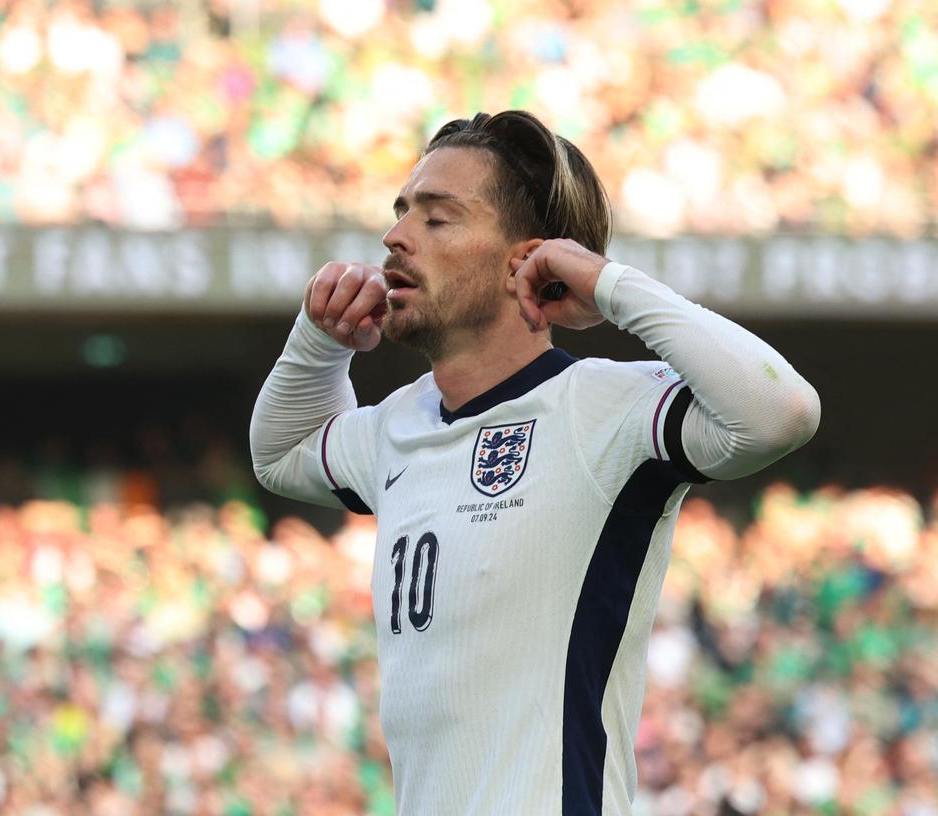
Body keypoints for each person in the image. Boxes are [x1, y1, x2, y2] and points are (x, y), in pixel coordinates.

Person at [248, 110, 820, 815]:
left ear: (528, 258)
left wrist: (610, 285)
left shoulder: (603, 409)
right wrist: (318, 340)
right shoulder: (399, 425)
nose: (396, 236)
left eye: (438, 219)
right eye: (401, 213)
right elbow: (281, 452)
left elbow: (781, 412)